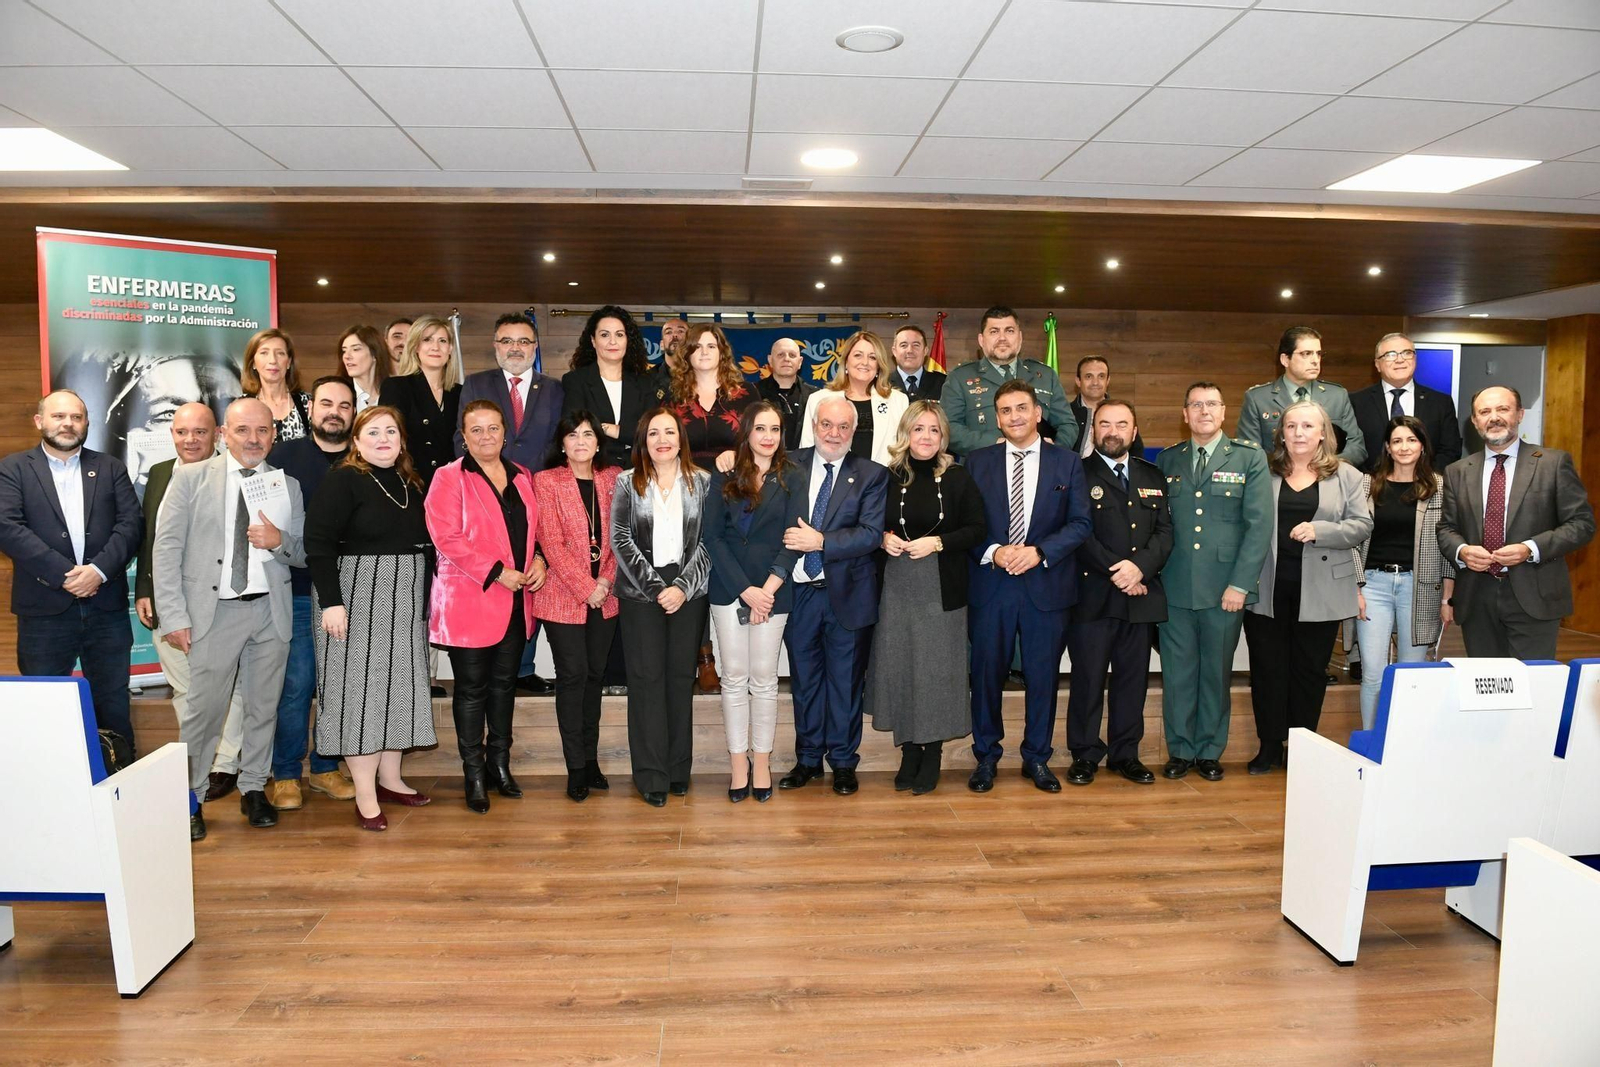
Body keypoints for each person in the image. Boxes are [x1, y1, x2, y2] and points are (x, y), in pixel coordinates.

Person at [152, 397, 304, 841]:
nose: (253, 439)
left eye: (262, 431)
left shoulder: (287, 485)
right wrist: (173, 615)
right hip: (213, 613)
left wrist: (279, 541)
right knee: (203, 712)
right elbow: (166, 550)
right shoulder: (190, 479)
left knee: (263, 708)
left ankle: (253, 787)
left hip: (270, 611)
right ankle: (191, 797)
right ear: (223, 434)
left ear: (273, 435)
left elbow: (301, 552)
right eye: (242, 430)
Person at [306, 406, 437, 831]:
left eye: (391, 432)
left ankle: (391, 779)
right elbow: (318, 543)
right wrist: (331, 602)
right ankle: (365, 795)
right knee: (358, 697)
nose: (384, 439)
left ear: (402, 440)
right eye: (374, 432)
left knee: (398, 691)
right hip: (355, 597)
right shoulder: (343, 479)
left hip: (403, 599)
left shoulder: (410, 481)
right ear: (357, 441)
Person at [964, 380, 1091, 794]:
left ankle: (1037, 757)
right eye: (1005, 410)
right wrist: (995, 550)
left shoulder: (1067, 463)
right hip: (992, 586)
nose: (1014, 416)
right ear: (996, 419)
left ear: (1038, 413)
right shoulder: (976, 462)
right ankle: (986, 757)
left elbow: (1080, 523)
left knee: (1043, 677)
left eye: (1022, 408)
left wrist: (1039, 551)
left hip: (1046, 586)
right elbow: (965, 525)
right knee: (986, 676)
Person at [0, 389, 141, 747]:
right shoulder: (13, 469)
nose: (68, 423)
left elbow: (131, 526)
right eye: (59, 416)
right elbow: (8, 528)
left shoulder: (110, 468)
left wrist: (97, 572)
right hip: (43, 612)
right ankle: (50, 778)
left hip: (106, 610)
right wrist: (67, 575)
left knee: (112, 704)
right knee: (44, 706)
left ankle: (117, 773)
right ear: (40, 421)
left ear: (86, 424)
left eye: (76, 417)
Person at [1241, 400, 1371, 774]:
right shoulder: (1262, 471)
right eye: (1291, 426)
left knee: (1309, 673)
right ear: (1281, 433)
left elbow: (1362, 525)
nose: (1299, 433)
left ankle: (1301, 747)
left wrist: (1320, 531)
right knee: (1267, 671)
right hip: (1267, 588)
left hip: (1321, 591)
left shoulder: (1346, 475)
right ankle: (1269, 746)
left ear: (1323, 433)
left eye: (1308, 426)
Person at [864, 401, 985, 795]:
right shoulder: (887, 476)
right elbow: (869, 524)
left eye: (934, 429)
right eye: (919, 429)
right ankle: (909, 751)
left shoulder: (958, 477)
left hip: (940, 586)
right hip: (897, 584)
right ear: (906, 433)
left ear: (943, 436)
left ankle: (931, 752)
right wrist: (883, 538)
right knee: (901, 666)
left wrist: (938, 542)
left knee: (936, 671)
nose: (926, 437)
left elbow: (977, 528)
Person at [427, 400, 541, 814]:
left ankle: (499, 764)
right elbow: (446, 537)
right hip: (470, 601)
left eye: (493, 428)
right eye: (476, 430)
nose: (486, 436)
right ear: (464, 436)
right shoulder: (448, 477)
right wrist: (496, 573)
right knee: (472, 690)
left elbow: (534, 530)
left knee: (504, 686)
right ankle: (473, 773)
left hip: (515, 601)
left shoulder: (522, 475)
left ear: (505, 433)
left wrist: (540, 559)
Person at [1155, 382, 1272, 782]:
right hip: (1174, 585)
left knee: (1216, 673)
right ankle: (1180, 750)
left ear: (1223, 412)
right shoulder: (1167, 460)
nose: (1204, 411)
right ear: (1184, 414)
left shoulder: (1249, 458)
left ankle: (1208, 749)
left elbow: (1259, 526)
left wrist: (1241, 583)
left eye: (1211, 404)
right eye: (1196, 405)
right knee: (1177, 674)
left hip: (1225, 588)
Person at [135, 402, 248, 799]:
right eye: (182, 432)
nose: (190, 440)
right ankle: (194, 760)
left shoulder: (233, 475)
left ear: (217, 434)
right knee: (184, 688)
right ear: (172, 435)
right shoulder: (159, 473)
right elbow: (151, 538)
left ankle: (225, 763)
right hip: (169, 602)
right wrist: (145, 589)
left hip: (219, 607)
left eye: (200, 432)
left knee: (230, 688)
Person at [778, 394, 888, 796]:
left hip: (849, 595)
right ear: (814, 425)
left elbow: (871, 534)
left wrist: (820, 541)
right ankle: (808, 759)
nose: (834, 433)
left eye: (844, 427)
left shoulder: (872, 474)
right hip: (798, 594)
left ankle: (842, 762)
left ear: (854, 431)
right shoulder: (787, 465)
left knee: (845, 684)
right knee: (805, 682)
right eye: (827, 424)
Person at [1439, 386, 1595, 660]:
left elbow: (1582, 524)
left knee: (1532, 681)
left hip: (1535, 592)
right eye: (1484, 412)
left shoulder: (1553, 463)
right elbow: (1446, 528)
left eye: (1503, 409)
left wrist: (1530, 548)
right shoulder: (1457, 471)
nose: (1494, 417)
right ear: (1474, 421)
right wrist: (1462, 551)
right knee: (1485, 681)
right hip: (1476, 596)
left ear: (1520, 414)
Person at [1064, 399, 1171, 786]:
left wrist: (1139, 568)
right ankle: (1085, 753)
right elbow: (1078, 532)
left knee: (1133, 680)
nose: (1113, 431)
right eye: (1105, 424)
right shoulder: (1077, 472)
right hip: (1093, 594)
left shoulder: (1151, 475)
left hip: (1140, 594)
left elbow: (1165, 532)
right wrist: (1120, 571)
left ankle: (1126, 754)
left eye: (1122, 424)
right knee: (1088, 679)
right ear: (1093, 430)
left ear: (1134, 431)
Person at [263, 378, 359, 808]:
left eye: (344, 405)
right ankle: (286, 774)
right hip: (299, 590)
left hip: (353, 592)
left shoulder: (364, 459)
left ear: (354, 413)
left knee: (337, 686)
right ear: (311, 409)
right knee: (297, 685)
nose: (334, 412)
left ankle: (324, 768)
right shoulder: (282, 458)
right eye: (326, 403)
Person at [610, 408, 712, 806]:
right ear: (644, 441)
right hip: (641, 594)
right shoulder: (627, 482)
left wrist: (682, 587)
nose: (662, 440)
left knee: (679, 679)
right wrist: (657, 588)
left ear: (681, 439)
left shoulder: (702, 482)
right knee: (646, 680)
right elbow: (620, 539)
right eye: (654, 433)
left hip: (689, 591)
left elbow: (708, 540)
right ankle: (651, 774)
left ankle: (678, 769)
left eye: (670, 432)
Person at [704, 401, 800, 803]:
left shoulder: (793, 475)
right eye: (760, 428)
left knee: (764, 680)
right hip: (730, 589)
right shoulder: (724, 473)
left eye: (775, 429)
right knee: (733, 677)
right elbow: (713, 536)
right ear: (746, 432)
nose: (768, 436)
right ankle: (737, 764)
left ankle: (761, 762)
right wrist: (747, 590)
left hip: (773, 591)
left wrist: (767, 591)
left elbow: (794, 539)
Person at [534, 410, 621, 802]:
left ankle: (591, 760)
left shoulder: (614, 478)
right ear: (562, 443)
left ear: (598, 442)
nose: (581, 441)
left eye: (588, 434)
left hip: (607, 594)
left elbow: (622, 536)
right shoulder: (547, 481)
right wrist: (587, 588)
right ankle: (575, 768)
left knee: (594, 676)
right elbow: (550, 543)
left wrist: (605, 582)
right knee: (573, 676)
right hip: (562, 596)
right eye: (573, 435)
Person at [1353, 416, 1453, 731]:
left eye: (1411, 440)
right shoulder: (1367, 485)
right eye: (1397, 441)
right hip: (1373, 585)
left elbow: (1448, 543)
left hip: (1420, 587)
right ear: (1387, 447)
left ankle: (1405, 740)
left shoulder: (1439, 487)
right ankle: (1371, 740)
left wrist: (1447, 598)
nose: (1404, 447)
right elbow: (1352, 540)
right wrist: (1355, 589)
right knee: (1373, 674)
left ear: (1422, 445)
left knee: (1412, 674)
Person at [941, 305, 1077, 456]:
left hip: (1041, 464)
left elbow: (1068, 424)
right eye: (994, 331)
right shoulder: (960, 378)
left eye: (1009, 331)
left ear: (1020, 337)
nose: (1002, 338)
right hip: (985, 465)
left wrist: (1055, 449)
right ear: (981, 340)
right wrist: (996, 444)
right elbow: (948, 427)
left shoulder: (1045, 376)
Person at [1237, 326, 1365, 467]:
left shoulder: (1337, 396)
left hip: (1328, 475)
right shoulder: (1258, 399)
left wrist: (1326, 467)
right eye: (1306, 354)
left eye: (1318, 354)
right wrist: (1291, 471)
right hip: (1277, 476)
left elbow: (1357, 447)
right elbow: (1248, 453)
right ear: (1285, 359)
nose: (1315, 360)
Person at [456, 312, 564, 472]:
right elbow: (462, 437)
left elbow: (558, 439)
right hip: (486, 479)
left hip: (540, 479)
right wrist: (490, 474)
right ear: (496, 345)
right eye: (507, 341)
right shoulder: (475, 384)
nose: (515, 348)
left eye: (524, 342)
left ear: (535, 346)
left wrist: (529, 476)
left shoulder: (555, 388)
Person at [562, 305, 663, 470]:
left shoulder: (645, 382)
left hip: (639, 471)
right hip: (594, 469)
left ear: (627, 340)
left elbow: (652, 432)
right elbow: (574, 430)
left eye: (619, 334)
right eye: (604, 335)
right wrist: (629, 434)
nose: (613, 341)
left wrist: (614, 430)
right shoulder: (576, 381)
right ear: (593, 340)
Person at [1349, 333, 1463, 473]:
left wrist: (1425, 478)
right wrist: (1372, 480)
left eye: (1407, 353)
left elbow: (1450, 450)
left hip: (1427, 482)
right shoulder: (1356, 402)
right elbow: (1352, 449)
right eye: (1391, 355)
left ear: (1415, 359)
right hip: (1371, 482)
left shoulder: (1440, 402)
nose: (1400, 360)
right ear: (1377, 364)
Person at [800, 330, 908, 467]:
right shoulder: (818, 399)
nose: (865, 362)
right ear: (846, 362)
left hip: (883, 478)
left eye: (872, 357)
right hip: (831, 477)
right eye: (858, 355)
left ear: (879, 366)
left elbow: (903, 452)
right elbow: (807, 451)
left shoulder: (898, 401)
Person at [379, 315, 462, 488]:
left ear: (450, 349)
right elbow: (388, 439)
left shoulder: (460, 392)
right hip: (411, 483)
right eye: (427, 340)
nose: (435, 347)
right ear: (416, 346)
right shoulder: (396, 387)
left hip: (451, 486)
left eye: (442, 341)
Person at [670, 322, 752, 467]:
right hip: (685, 475)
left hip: (735, 474)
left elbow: (761, 439)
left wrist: (739, 454)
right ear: (687, 353)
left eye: (711, 346)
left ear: (722, 353)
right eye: (697, 347)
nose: (704, 352)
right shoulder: (673, 396)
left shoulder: (747, 393)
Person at [239, 328, 312, 444]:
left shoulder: (308, 403)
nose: (273, 360)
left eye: (280, 353)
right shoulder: (241, 407)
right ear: (253, 363)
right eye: (264, 353)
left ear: (288, 362)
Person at [1068, 356, 1144, 460]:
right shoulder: (1064, 414)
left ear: (1108, 380)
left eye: (1101, 376)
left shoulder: (1122, 413)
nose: (1095, 382)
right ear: (1078, 381)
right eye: (1089, 376)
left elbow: (1136, 456)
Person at [756, 336, 818, 451]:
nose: (786, 359)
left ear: (800, 362)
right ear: (770, 360)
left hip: (803, 461)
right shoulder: (754, 393)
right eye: (780, 355)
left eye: (792, 355)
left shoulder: (815, 396)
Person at [337, 324, 390, 413]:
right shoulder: (338, 393)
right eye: (344, 351)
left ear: (375, 354)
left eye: (356, 349)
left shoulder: (393, 393)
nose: (347, 356)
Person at [890, 324, 945, 403]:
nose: (910, 350)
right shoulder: (881, 384)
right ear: (894, 351)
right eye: (904, 345)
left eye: (916, 345)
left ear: (925, 351)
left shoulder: (943, 384)